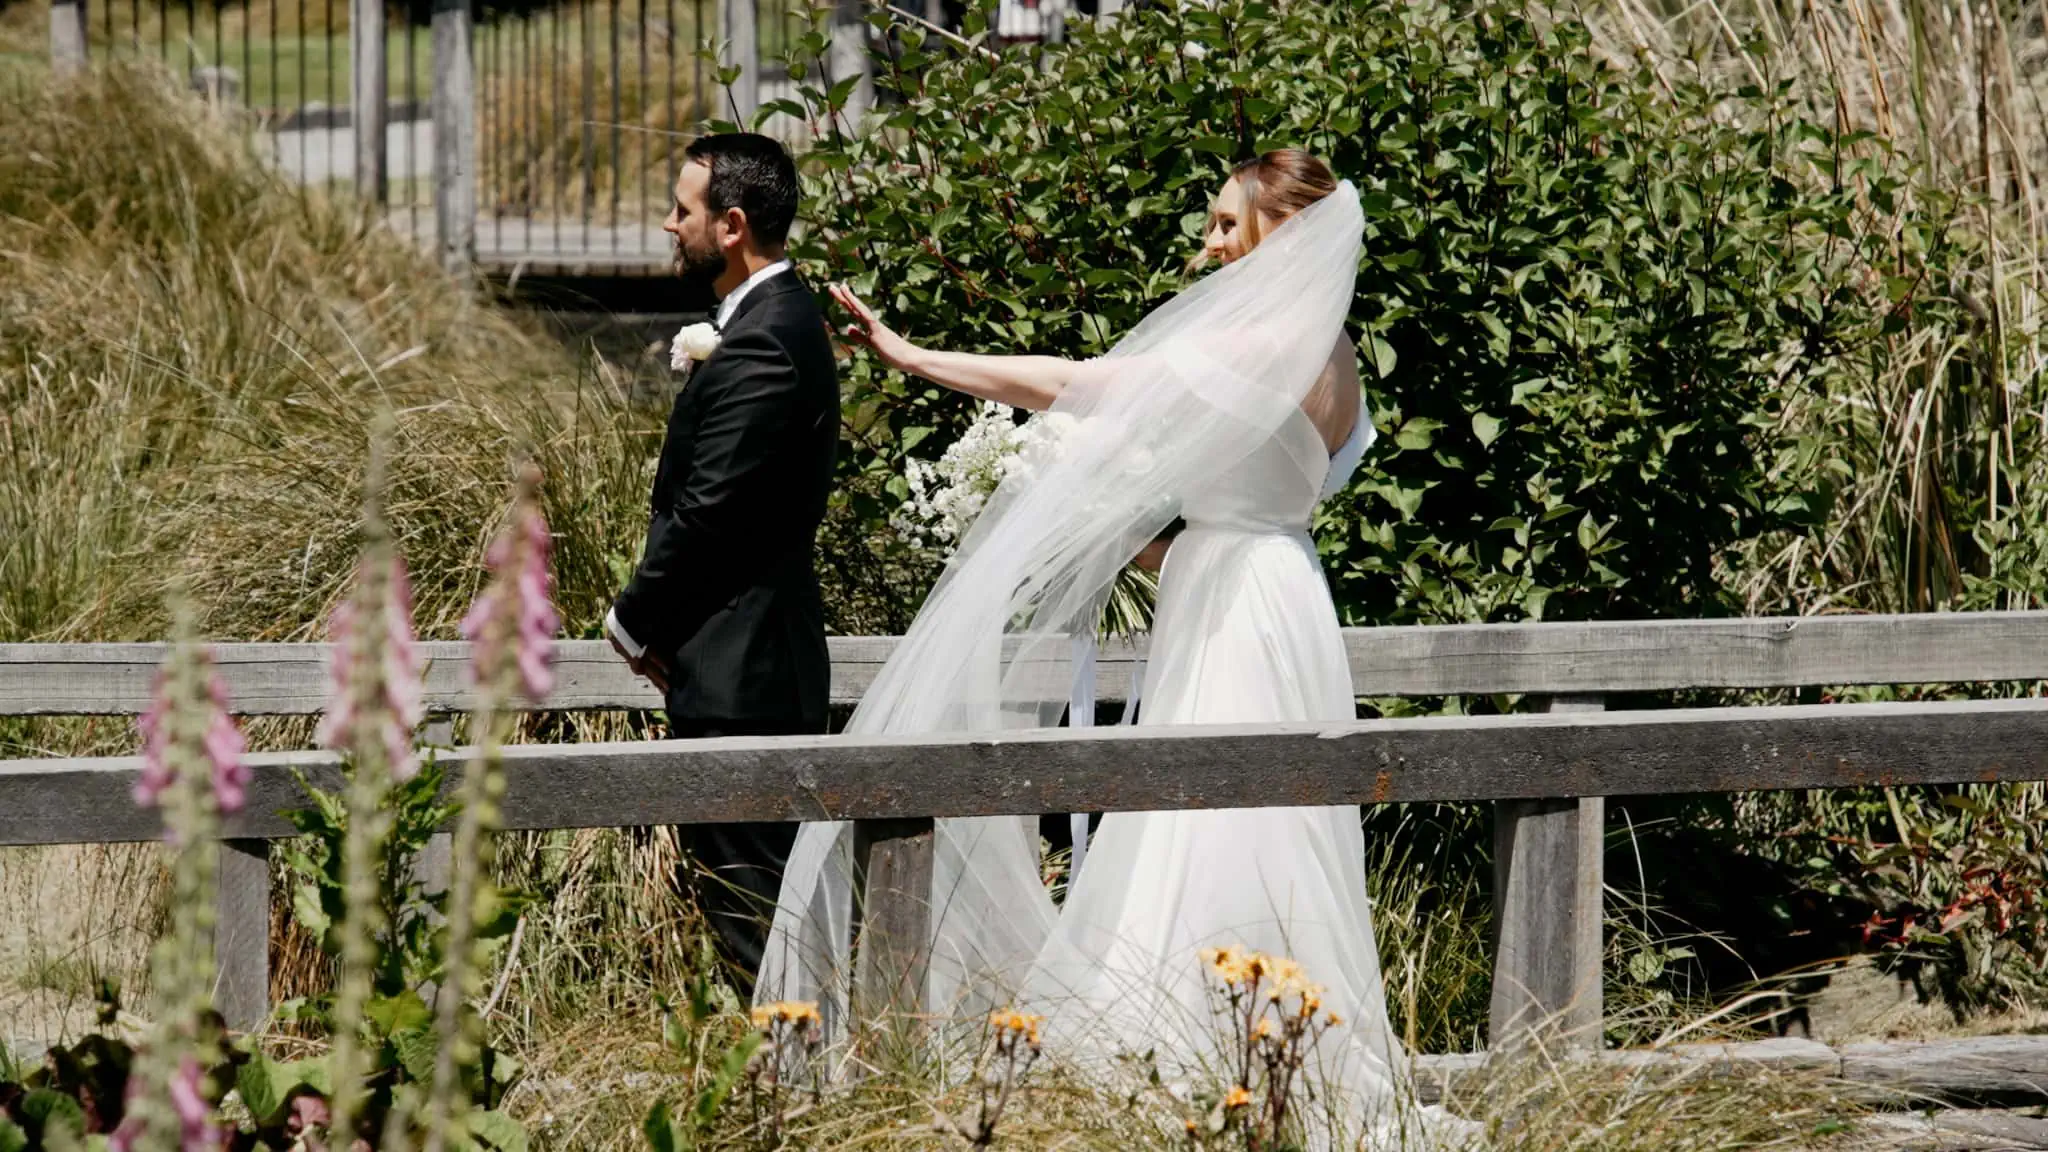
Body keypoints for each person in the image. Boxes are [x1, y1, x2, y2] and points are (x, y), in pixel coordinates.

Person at [759, 150, 1461, 1143]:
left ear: (1282, 233)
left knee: (1203, 817)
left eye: (1228, 224)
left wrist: (919, 360)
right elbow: (1239, 514)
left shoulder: (1261, 339)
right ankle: (1278, 1047)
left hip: (1230, 609)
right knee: (1278, 820)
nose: (1210, 242)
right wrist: (1100, 520)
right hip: (1280, 594)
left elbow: (1083, 383)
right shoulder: (1337, 354)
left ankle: (1186, 1058)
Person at [606, 133, 839, 991]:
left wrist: (631, 623)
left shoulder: (766, 343)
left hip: (745, 680)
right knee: (750, 918)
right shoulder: (767, 325)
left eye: (683, 209)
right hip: (746, 666)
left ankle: (783, 1105)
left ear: (731, 225)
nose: (669, 225)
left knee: (754, 928)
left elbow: (707, 513)